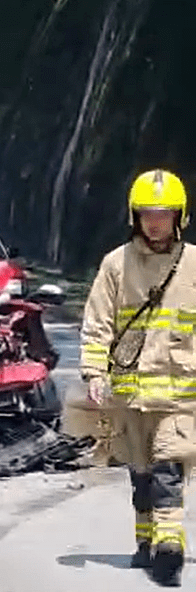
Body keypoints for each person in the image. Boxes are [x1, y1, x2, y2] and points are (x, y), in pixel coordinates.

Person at [81, 169, 196, 586]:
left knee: (169, 470)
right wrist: (94, 372)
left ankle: (169, 548)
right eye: (147, 213)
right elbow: (97, 324)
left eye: (164, 214)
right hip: (130, 393)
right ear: (134, 215)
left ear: (179, 216)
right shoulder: (116, 264)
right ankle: (146, 543)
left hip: (181, 394)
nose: (155, 222)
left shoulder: (195, 265)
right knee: (142, 474)